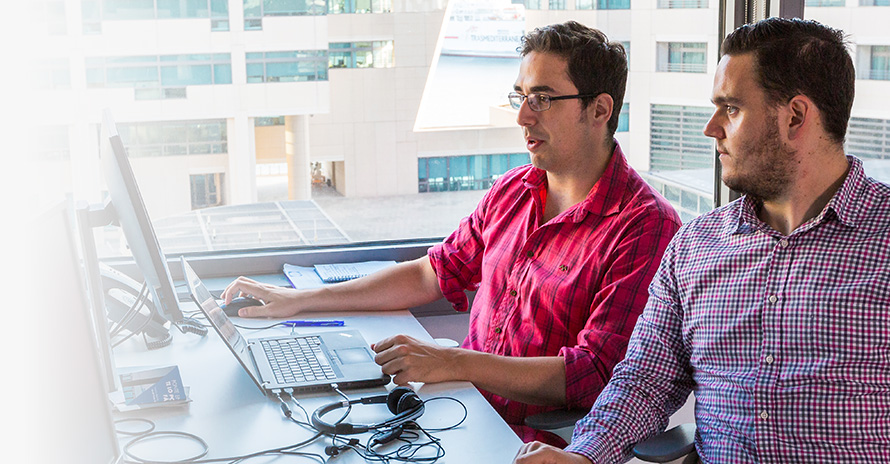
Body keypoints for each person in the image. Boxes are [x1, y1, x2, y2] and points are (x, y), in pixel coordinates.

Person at [223, 21, 680, 446]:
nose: (523, 116)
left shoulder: (645, 227)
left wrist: (453, 362)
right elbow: (432, 273)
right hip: (459, 407)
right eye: (520, 96)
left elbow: (595, 372)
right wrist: (301, 300)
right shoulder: (513, 190)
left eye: (542, 98)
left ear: (599, 109)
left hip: (530, 442)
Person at [514, 17, 890, 464]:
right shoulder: (695, 246)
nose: (711, 128)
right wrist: (584, 456)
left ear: (795, 117)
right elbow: (644, 382)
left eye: (731, 108)